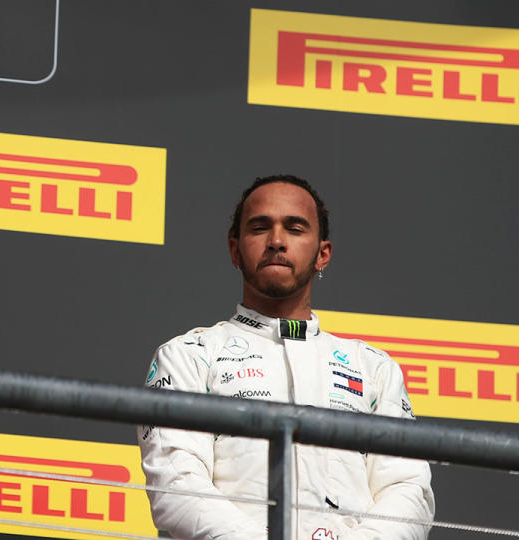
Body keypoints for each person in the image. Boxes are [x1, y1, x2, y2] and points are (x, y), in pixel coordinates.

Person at [137, 175, 434, 539]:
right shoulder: (187, 356)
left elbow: (408, 492)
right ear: (234, 250)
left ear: (322, 254)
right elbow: (176, 486)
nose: (276, 242)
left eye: (294, 228)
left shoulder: (373, 367)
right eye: (260, 227)